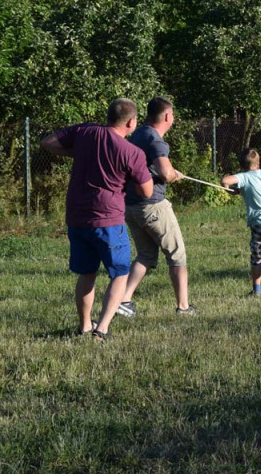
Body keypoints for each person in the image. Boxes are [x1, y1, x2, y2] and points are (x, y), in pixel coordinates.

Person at [41, 98, 153, 341]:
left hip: (78, 218)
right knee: (120, 274)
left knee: (87, 273)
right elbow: (146, 192)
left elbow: (47, 142)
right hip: (109, 220)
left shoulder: (84, 132)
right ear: (132, 122)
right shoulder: (132, 152)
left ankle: (84, 326)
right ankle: (101, 329)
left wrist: (75, 153)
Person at [117, 97, 193, 319]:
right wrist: (173, 175)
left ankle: (124, 300)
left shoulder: (138, 133)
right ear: (168, 116)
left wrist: (167, 171)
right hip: (153, 206)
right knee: (177, 254)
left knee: (147, 255)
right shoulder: (157, 141)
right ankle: (183, 307)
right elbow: (166, 173)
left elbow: (151, 167)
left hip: (131, 205)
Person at [222, 148, 261, 296]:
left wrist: (230, 190)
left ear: (242, 165)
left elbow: (225, 180)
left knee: (257, 257)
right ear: (257, 164)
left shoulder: (244, 177)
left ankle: (256, 291)